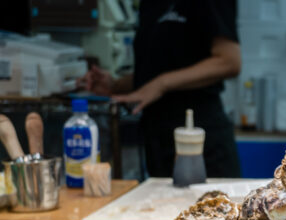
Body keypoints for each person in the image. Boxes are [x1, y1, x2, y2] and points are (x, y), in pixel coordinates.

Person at [79, 0, 242, 178]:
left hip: (198, 137)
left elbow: (229, 61)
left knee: (209, 204)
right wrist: (115, 84)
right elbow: (156, 71)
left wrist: (161, 84)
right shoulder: (150, 5)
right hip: (158, 139)